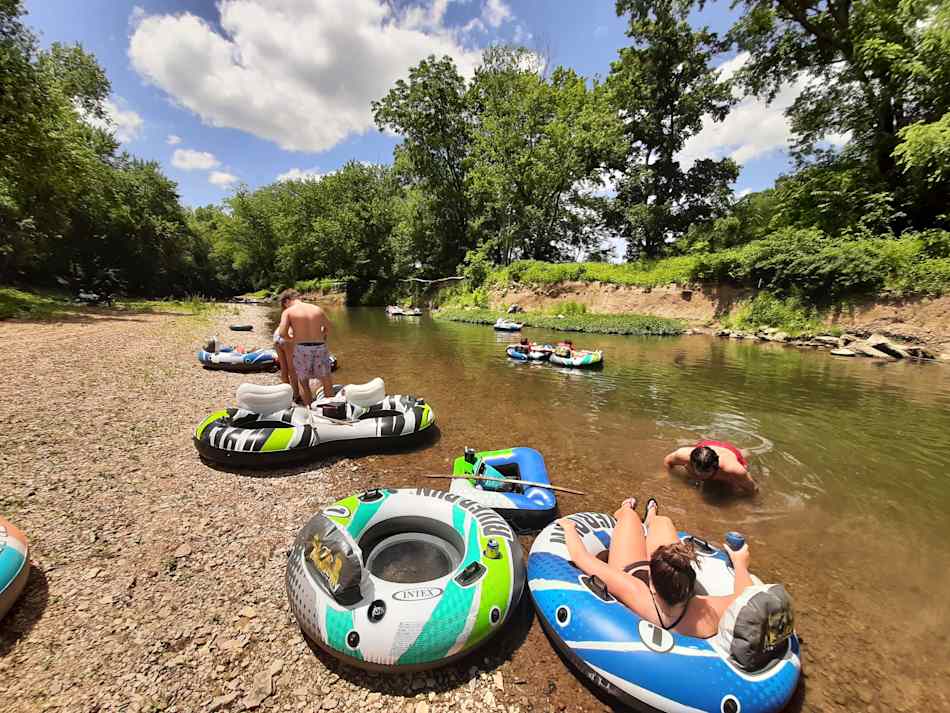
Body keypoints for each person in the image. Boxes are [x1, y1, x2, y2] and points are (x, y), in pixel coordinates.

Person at [559, 498, 753, 638]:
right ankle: (652, 517)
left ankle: (626, 508)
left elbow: (580, 557)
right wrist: (740, 562)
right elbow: (745, 596)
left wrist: (568, 527)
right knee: (663, 522)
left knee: (628, 518)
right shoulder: (705, 613)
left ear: (651, 584)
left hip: (632, 568)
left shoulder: (637, 592)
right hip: (671, 589)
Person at [276, 289, 334, 405]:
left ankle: (309, 410)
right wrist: (320, 335)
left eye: (284, 305)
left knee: (303, 381)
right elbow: (329, 328)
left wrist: (293, 339)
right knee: (326, 379)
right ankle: (330, 408)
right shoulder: (317, 309)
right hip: (320, 346)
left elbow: (282, 333)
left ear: (287, 301)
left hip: (302, 348)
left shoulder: (288, 312)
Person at [664, 440, 758, 494]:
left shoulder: (733, 469)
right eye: (698, 471)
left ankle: (746, 452)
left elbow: (753, 489)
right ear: (691, 462)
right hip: (706, 446)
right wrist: (668, 477)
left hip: (730, 452)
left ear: (715, 467)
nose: (701, 477)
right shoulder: (683, 455)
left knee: (730, 487)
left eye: (706, 473)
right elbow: (667, 461)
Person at [273, 325, 300, 404]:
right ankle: (296, 395)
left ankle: (286, 394)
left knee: (284, 369)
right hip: (287, 337)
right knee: (292, 370)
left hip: (277, 335)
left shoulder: (287, 313)